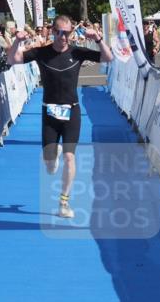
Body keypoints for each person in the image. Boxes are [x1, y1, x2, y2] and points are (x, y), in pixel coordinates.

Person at [9, 14, 112, 219]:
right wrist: (17, 42)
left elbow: (109, 58)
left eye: (67, 33)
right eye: (60, 33)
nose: (63, 37)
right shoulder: (42, 53)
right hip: (50, 111)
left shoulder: (77, 52)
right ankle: (51, 156)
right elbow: (13, 59)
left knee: (70, 157)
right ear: (53, 32)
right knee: (49, 163)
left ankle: (64, 202)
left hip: (72, 111)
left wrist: (98, 38)